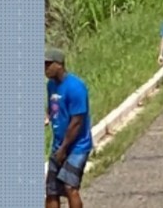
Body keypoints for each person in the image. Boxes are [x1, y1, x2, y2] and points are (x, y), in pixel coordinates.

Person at [45, 47, 93, 208]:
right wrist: (48, 115)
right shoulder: (51, 85)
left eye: (47, 64)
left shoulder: (76, 87)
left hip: (77, 146)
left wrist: (64, 148)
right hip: (58, 144)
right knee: (51, 190)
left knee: (70, 187)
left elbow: (77, 122)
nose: (44, 69)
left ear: (59, 65)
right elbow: (53, 104)